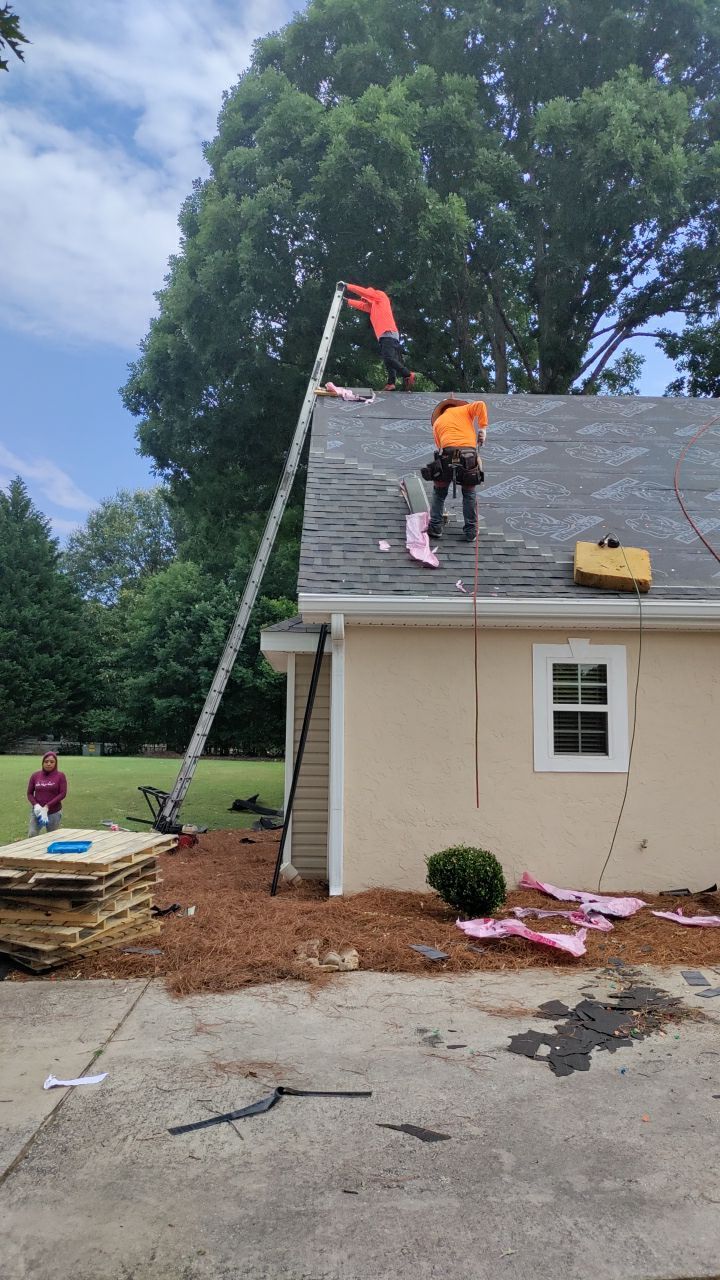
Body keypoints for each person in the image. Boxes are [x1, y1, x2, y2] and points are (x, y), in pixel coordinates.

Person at [424, 398, 488, 542]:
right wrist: (483, 428)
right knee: (469, 492)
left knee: (440, 491)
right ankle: (471, 531)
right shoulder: (464, 410)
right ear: (456, 406)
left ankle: (435, 527)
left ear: (442, 411)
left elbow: (439, 448)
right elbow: (481, 404)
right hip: (468, 454)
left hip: (447, 453)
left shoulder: (437, 423)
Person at [344, 282, 416, 391]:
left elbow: (364, 292)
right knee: (389, 360)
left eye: (366, 298)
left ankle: (407, 374)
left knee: (388, 358)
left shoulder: (380, 296)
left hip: (388, 332)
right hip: (386, 335)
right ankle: (391, 383)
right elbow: (362, 306)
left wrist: (347, 286)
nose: (365, 300)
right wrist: (348, 301)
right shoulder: (374, 306)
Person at [26, 751, 67, 837]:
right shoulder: (35, 776)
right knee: (32, 834)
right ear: (43, 762)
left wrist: (47, 806)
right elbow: (29, 793)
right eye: (46, 761)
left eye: (52, 762)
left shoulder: (60, 776)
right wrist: (36, 805)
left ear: (55, 763)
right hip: (38, 811)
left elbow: (63, 793)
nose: (49, 764)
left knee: (52, 837)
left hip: (54, 812)